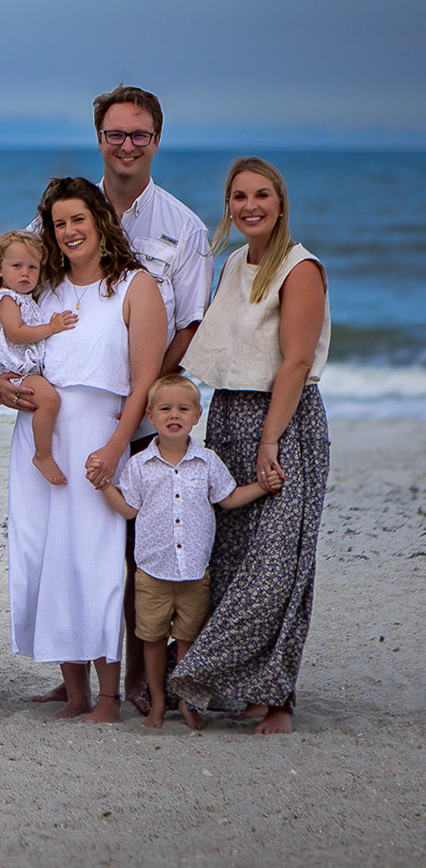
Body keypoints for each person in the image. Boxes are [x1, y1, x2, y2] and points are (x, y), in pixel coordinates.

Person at [173, 157, 331, 734]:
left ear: (281, 202)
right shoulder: (236, 263)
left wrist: (271, 441)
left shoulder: (300, 267)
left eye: (261, 195)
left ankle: (274, 699)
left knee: (277, 566)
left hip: (284, 423)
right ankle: (245, 688)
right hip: (230, 416)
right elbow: (218, 352)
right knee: (233, 560)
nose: (249, 206)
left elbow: (295, 362)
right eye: (238, 197)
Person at [6, 177, 165, 724]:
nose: (69, 231)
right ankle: (72, 692)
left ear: (100, 220)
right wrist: (4, 390)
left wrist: (116, 447)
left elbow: (145, 380)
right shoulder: (41, 289)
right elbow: (10, 350)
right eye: (59, 223)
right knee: (42, 556)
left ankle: (107, 698)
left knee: (95, 563)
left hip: (99, 434)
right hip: (39, 436)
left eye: (78, 219)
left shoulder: (134, 287)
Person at [101, 375, 281, 730]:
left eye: (183, 408)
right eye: (165, 408)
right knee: (151, 641)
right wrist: (104, 485)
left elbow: (228, 499)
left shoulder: (207, 461)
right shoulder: (139, 465)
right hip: (151, 573)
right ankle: (156, 703)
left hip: (195, 573)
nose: (174, 415)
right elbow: (129, 510)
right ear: (150, 416)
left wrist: (261, 487)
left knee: (188, 641)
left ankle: (187, 702)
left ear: (198, 415)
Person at [0, 230, 77, 486]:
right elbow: (16, 333)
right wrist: (52, 328)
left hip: (25, 368)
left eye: (32, 267)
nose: (25, 273)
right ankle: (42, 455)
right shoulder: (6, 298)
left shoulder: (26, 299)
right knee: (50, 401)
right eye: (17, 266)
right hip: (16, 370)